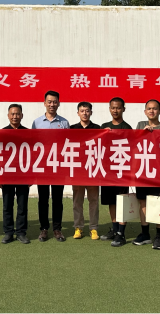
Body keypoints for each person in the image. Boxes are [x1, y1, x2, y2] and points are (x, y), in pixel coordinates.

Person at [31, 90, 70, 242]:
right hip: (42, 166)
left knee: (58, 199)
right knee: (43, 199)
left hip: (58, 166)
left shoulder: (64, 123)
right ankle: (44, 228)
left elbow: (68, 144)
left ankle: (57, 229)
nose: (52, 104)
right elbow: (32, 144)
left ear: (59, 103)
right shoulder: (36, 122)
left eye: (54, 102)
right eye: (49, 101)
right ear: (44, 103)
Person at [134, 99, 160, 250]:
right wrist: (142, 133)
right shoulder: (140, 125)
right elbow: (133, 143)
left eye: (155, 108)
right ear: (145, 111)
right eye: (149, 108)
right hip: (143, 170)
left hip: (159, 172)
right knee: (143, 202)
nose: (151, 111)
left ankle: (159, 236)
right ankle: (145, 234)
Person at [100, 97, 132, 247]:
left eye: (118, 108)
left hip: (122, 171)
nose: (115, 110)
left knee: (122, 201)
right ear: (109, 109)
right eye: (113, 108)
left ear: (123, 109)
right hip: (108, 171)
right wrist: (104, 134)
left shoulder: (127, 128)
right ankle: (114, 229)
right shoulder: (104, 126)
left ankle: (121, 233)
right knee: (111, 201)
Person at [70, 102, 101, 240]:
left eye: (87, 111)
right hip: (77, 170)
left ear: (91, 113)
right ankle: (78, 227)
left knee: (93, 201)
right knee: (77, 201)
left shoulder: (98, 129)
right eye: (82, 111)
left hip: (93, 170)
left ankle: (93, 228)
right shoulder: (72, 129)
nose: (84, 113)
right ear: (78, 113)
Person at [0, 104, 30, 244]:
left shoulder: (28, 133)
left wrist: (32, 176)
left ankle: (21, 232)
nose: (15, 116)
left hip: (24, 174)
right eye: (12, 114)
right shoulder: (2, 133)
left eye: (17, 114)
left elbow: (32, 155)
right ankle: (8, 232)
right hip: (7, 175)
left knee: (22, 205)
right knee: (7, 205)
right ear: (8, 116)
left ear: (22, 115)